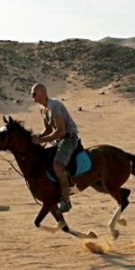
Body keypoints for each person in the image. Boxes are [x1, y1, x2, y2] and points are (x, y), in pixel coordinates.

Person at [30, 83, 80, 213]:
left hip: (69, 139)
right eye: (31, 94)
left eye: (34, 93)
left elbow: (61, 131)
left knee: (57, 165)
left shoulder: (54, 106)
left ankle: (66, 200)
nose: (32, 96)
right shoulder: (43, 108)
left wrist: (41, 140)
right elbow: (48, 130)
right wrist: (37, 137)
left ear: (42, 93)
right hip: (58, 140)